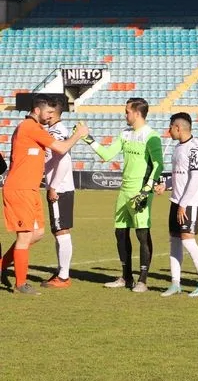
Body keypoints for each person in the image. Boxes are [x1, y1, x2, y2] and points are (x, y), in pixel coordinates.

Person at [0, 95, 87, 295]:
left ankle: (2, 266)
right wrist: (78, 134)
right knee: (25, 236)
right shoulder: (30, 127)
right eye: (48, 112)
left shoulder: (34, 129)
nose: (50, 116)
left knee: (37, 233)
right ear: (37, 110)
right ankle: (21, 283)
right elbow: (62, 148)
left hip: (30, 189)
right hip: (19, 189)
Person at [84, 97, 163, 292]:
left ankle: (143, 280)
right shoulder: (125, 134)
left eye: (127, 111)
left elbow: (158, 165)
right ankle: (126, 277)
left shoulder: (151, 136)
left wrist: (146, 191)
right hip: (124, 191)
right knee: (120, 233)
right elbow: (107, 154)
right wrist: (87, 138)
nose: (124, 114)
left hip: (140, 192)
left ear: (137, 113)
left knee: (142, 234)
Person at [154, 113, 198, 298]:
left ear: (178, 127)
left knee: (188, 240)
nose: (168, 131)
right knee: (175, 241)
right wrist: (166, 184)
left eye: (170, 127)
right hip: (176, 201)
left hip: (190, 203)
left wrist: (184, 204)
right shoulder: (178, 147)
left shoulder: (195, 149)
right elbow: (179, 174)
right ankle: (175, 283)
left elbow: (196, 178)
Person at [42, 95, 76, 288]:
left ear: (53, 112)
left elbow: (64, 160)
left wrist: (53, 186)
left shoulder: (57, 132)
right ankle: (61, 271)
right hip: (61, 187)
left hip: (60, 188)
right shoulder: (56, 130)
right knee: (59, 231)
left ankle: (63, 276)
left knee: (61, 231)